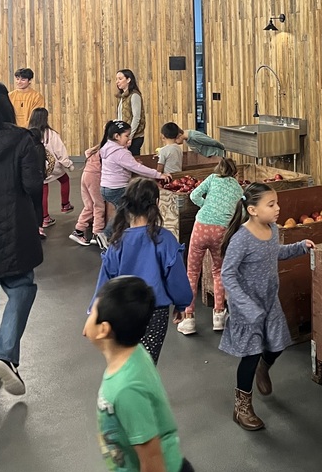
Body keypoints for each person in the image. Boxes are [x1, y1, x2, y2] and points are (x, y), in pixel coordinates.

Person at [84, 276, 207, 472]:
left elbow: (150, 453)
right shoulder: (134, 351)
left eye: (92, 310)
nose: (88, 313)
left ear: (104, 330)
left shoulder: (125, 388)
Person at [219, 183, 313, 431]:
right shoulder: (241, 239)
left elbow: (275, 253)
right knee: (250, 355)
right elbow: (227, 275)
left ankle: (265, 367)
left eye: (277, 203)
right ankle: (242, 408)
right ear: (252, 209)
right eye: (271, 204)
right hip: (246, 308)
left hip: (269, 303)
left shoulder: (272, 229)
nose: (277, 208)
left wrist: (299, 246)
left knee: (277, 345)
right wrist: (244, 305)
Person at [92, 179, 192, 364]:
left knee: (124, 361)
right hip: (155, 313)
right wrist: (181, 304)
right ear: (155, 203)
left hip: (123, 312)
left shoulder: (117, 242)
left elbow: (106, 280)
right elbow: (176, 278)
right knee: (147, 363)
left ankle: (124, 392)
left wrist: (96, 313)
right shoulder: (165, 239)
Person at [0, 82, 44, 395]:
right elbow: (33, 185)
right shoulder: (23, 139)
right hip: (14, 230)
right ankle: (5, 354)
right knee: (21, 286)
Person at [178, 157, 245, 337]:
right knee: (218, 271)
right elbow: (243, 212)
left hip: (201, 227)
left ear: (218, 169)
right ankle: (218, 315)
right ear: (235, 173)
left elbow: (193, 195)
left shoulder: (212, 179)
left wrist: (206, 206)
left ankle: (189, 318)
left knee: (192, 272)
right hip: (221, 232)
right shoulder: (238, 188)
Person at [99, 120, 170, 219]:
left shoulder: (107, 147)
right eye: (127, 136)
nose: (128, 139)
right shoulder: (121, 153)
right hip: (117, 188)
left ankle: (116, 232)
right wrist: (158, 174)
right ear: (117, 136)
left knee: (123, 213)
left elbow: (121, 163)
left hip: (105, 187)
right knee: (127, 215)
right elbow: (138, 168)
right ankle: (109, 233)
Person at [28, 107, 74, 228]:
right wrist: (68, 164)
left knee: (43, 190)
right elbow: (60, 151)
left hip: (37, 167)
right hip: (53, 167)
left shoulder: (28, 134)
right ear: (45, 119)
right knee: (64, 180)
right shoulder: (51, 134)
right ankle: (65, 205)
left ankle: (45, 218)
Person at [69, 142, 107, 249]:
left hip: (86, 175)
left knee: (89, 206)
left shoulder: (95, 149)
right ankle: (97, 233)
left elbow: (87, 152)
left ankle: (79, 230)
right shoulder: (107, 151)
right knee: (99, 205)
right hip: (95, 177)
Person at [157, 123, 185, 237]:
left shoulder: (163, 151)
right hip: (179, 176)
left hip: (167, 179)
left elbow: (160, 168)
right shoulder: (178, 149)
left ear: (162, 136)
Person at [116, 70, 146, 156]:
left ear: (128, 80)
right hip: (124, 135)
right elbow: (121, 117)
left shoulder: (134, 95)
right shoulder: (122, 97)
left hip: (134, 137)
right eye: (116, 79)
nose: (117, 82)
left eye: (120, 79)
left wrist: (130, 136)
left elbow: (136, 118)